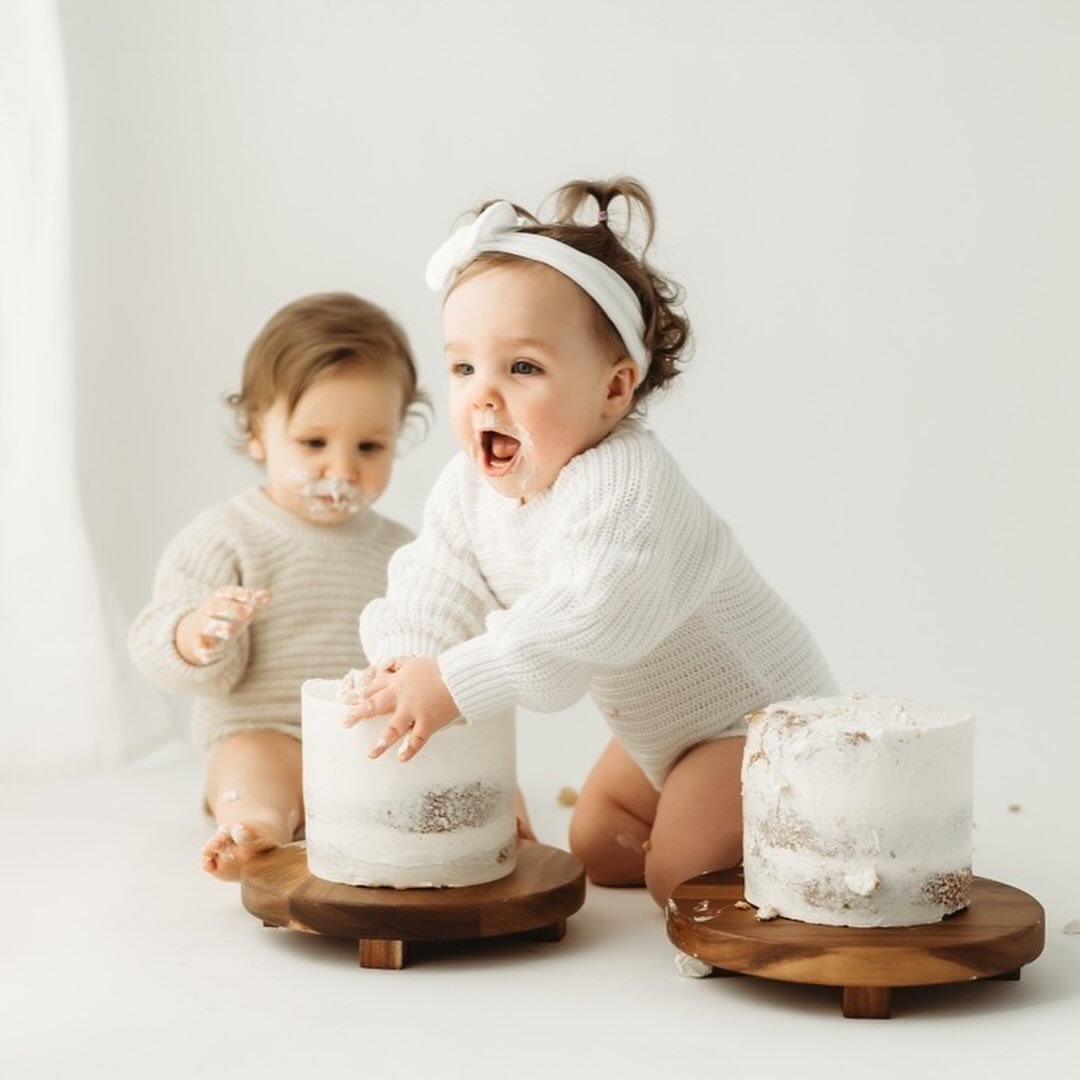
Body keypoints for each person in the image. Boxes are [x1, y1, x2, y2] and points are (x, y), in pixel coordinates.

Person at [351, 178, 837, 907]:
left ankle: (823, 837)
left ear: (613, 392)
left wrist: (455, 684)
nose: (483, 394)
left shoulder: (624, 481)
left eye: (522, 368)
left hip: (759, 727)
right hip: (668, 736)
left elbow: (590, 611)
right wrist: (409, 661)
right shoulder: (469, 486)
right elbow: (437, 575)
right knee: (600, 847)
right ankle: (721, 829)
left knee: (676, 877)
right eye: (463, 367)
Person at [129, 292, 424, 880]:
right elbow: (152, 642)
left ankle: (488, 820)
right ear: (258, 433)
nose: (340, 469)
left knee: (441, 765)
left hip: (368, 739)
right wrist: (198, 633)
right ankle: (257, 824)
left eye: (369, 446)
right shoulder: (225, 537)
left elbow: (430, 649)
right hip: (266, 732)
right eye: (313, 443)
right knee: (252, 765)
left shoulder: (406, 552)